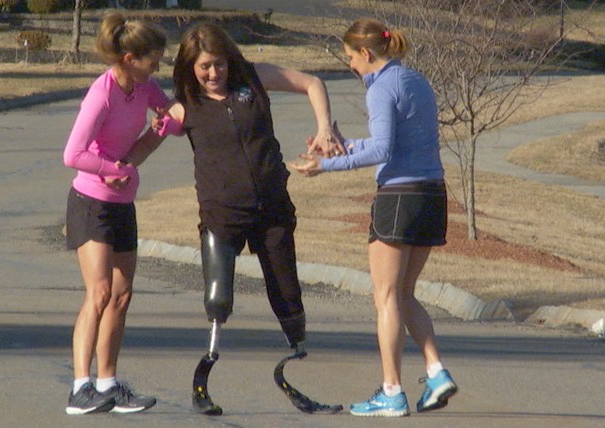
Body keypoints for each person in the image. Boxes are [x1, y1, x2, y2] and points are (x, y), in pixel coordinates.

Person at [154, 21, 343, 415]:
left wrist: (325, 127)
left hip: (272, 208)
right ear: (190, 66)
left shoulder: (253, 79)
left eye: (219, 65)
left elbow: (312, 82)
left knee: (288, 295)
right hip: (222, 214)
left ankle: (295, 356)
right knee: (218, 298)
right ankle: (205, 374)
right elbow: (149, 134)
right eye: (204, 66)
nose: (212, 74)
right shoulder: (185, 104)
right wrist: (113, 163)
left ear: (230, 60)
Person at [291, 18, 458, 417]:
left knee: (385, 297)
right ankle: (436, 372)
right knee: (403, 294)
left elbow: (382, 151)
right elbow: (398, 142)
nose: (349, 65)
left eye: (350, 57)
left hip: (398, 197)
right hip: (431, 195)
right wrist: (345, 145)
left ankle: (392, 392)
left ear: (366, 53)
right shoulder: (415, 80)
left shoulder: (381, 87)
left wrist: (325, 166)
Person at [61, 11, 169, 415]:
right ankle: (80, 388)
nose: (157, 66)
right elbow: (72, 154)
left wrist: (165, 123)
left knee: (121, 296)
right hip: (91, 203)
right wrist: (114, 169)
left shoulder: (144, 88)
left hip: (123, 204)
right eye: (152, 60)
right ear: (129, 59)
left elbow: (171, 120)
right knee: (100, 292)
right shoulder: (102, 93)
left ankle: (107, 383)